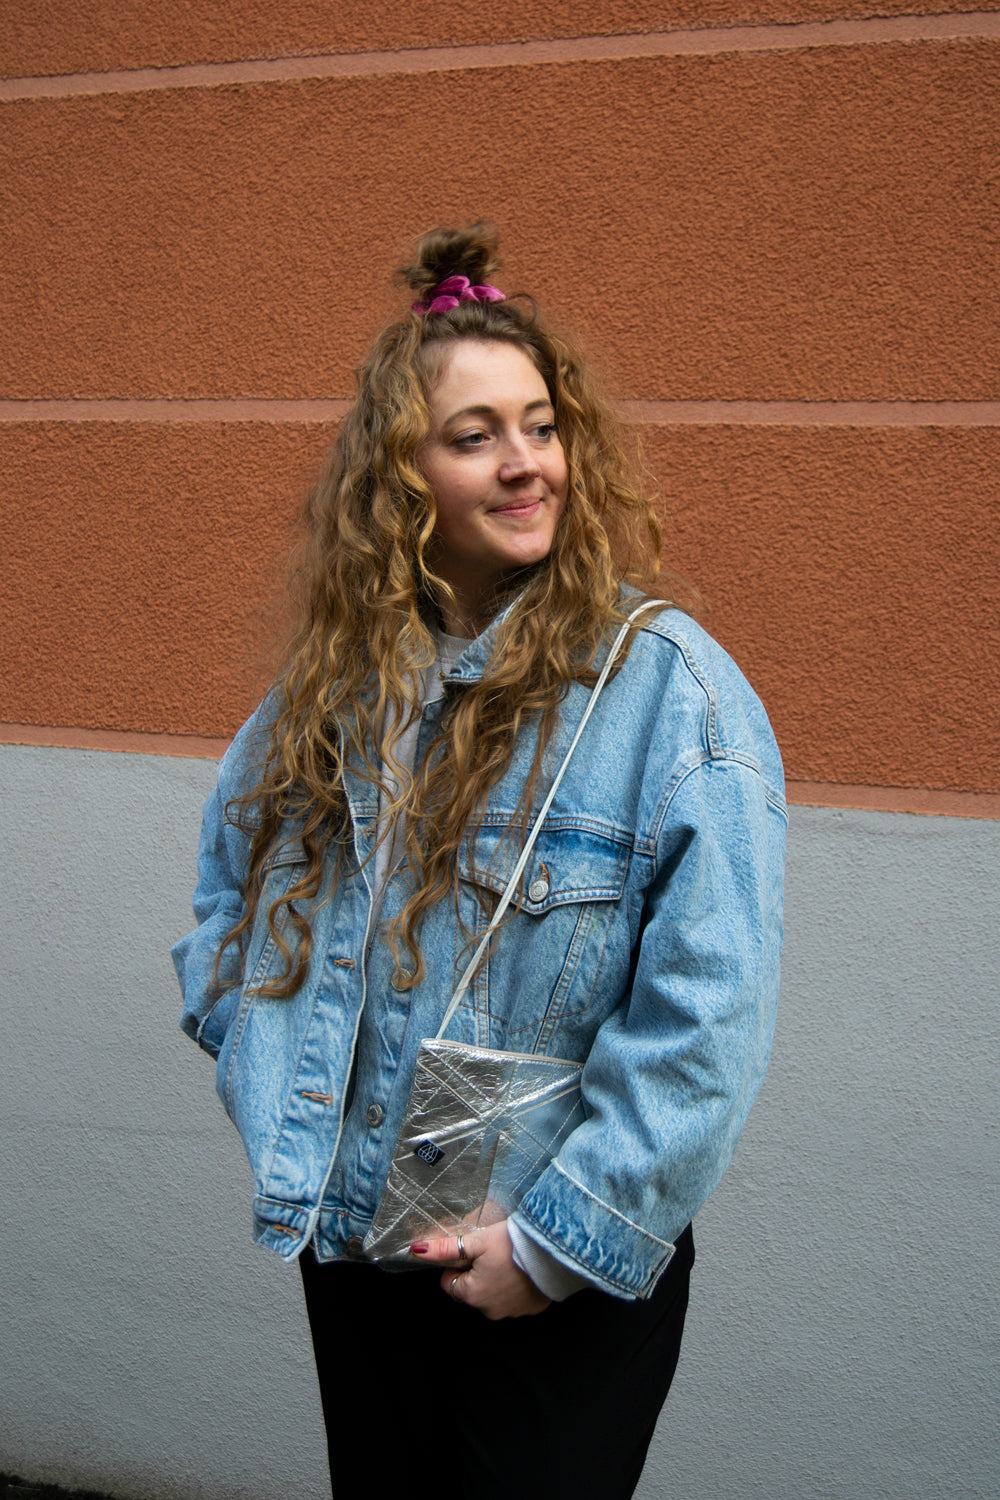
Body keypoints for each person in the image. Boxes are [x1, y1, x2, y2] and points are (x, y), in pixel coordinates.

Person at [172, 225, 786, 1500]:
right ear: (400, 479)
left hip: (550, 1278)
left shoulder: (666, 691)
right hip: (360, 1252)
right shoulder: (333, 692)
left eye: (542, 427)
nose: (525, 463)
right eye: (474, 436)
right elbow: (227, 905)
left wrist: (555, 1248)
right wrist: (278, 1084)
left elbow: (707, 1016)